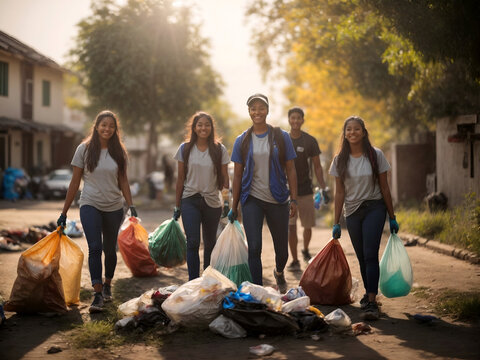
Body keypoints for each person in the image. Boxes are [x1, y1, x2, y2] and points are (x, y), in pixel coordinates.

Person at [57, 110, 136, 313]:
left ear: (115, 129)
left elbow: (124, 181)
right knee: (94, 247)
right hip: (90, 203)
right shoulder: (83, 149)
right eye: (103, 125)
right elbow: (75, 182)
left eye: (111, 125)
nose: (107, 128)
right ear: (96, 126)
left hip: (114, 207)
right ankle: (98, 293)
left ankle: (108, 283)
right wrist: (64, 212)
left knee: (110, 249)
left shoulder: (119, 152)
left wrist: (131, 205)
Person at [329, 115, 399, 320]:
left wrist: (392, 216)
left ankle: (371, 300)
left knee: (370, 253)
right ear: (345, 133)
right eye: (348, 129)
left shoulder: (375, 155)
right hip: (352, 212)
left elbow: (385, 187)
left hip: (374, 208)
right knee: (361, 256)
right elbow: (339, 192)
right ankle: (369, 295)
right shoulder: (339, 160)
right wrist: (335, 222)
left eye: (356, 129)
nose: (352, 132)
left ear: (364, 132)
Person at [228, 93, 298, 294]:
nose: (257, 112)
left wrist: (293, 198)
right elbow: (238, 174)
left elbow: (291, 169)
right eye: (253, 108)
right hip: (252, 199)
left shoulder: (280, 136)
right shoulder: (242, 140)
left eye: (261, 108)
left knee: (282, 250)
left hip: (278, 198)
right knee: (255, 247)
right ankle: (257, 291)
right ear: (249, 111)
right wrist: (234, 206)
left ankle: (278, 271)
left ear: (267, 110)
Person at [173, 112, 229, 281]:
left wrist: (226, 202)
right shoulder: (185, 148)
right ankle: (193, 281)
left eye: (207, 125)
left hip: (212, 201)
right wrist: (177, 205)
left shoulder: (220, 149)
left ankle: (207, 280)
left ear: (211, 128)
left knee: (210, 243)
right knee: (193, 242)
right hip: (190, 199)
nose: (203, 128)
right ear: (194, 127)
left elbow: (226, 178)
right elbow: (180, 178)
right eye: (200, 125)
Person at [287, 107, 329, 270]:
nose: (296, 121)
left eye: (299, 118)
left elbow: (317, 167)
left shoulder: (310, 141)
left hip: (306, 191)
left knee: (307, 225)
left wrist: (323, 187)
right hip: (288, 193)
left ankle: (305, 250)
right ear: (289, 120)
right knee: (291, 227)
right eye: (293, 118)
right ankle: (295, 259)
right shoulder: (284, 140)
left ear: (303, 120)